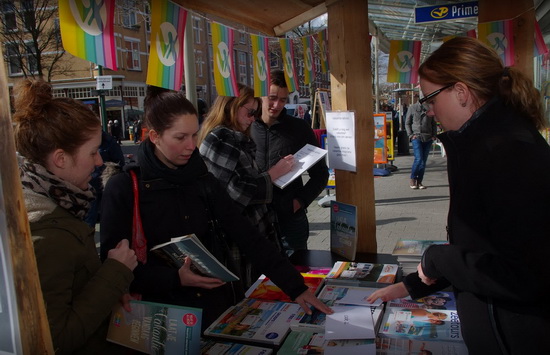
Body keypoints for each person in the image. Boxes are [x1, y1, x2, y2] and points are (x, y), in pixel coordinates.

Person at [368, 37, 550, 354]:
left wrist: (439, 258)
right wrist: (412, 285)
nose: (428, 110)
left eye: (431, 99)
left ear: (461, 92)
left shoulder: (509, 153)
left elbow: (526, 273)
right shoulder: (484, 144)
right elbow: (482, 253)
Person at [99, 86, 332, 330]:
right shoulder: (124, 187)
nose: (192, 146)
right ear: (155, 136)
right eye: (181, 138)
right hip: (159, 319)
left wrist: (296, 287)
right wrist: (174, 278)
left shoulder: (202, 179)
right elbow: (111, 266)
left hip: (214, 311)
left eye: (194, 135)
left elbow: (247, 235)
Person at [13, 79, 137, 354]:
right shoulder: (47, 234)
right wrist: (116, 272)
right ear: (61, 159)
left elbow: (72, 293)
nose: (99, 162)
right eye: (92, 152)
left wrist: (107, 293)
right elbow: (55, 340)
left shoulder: (56, 206)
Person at [198, 84, 295, 286]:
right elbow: (234, 194)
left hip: (247, 234)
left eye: (256, 113)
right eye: (250, 112)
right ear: (232, 105)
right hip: (239, 238)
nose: (253, 119)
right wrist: (273, 173)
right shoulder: (222, 137)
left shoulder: (231, 136)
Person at [250, 70, 329, 253]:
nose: (277, 105)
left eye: (283, 100)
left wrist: (299, 201)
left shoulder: (299, 128)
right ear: (260, 95)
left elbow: (320, 174)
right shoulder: (246, 126)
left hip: (290, 221)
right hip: (254, 218)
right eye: (272, 97)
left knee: (295, 275)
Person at [85, 130, 125, 227]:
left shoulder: (108, 141)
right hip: (91, 183)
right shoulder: (84, 139)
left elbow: (119, 162)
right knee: (90, 216)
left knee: (108, 215)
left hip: (105, 183)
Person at [405, 100, 437, 189]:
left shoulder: (430, 108)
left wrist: (434, 135)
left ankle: (419, 182)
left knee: (423, 161)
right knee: (419, 159)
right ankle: (413, 178)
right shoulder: (412, 108)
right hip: (417, 136)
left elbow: (433, 123)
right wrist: (411, 135)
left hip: (428, 137)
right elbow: (407, 123)